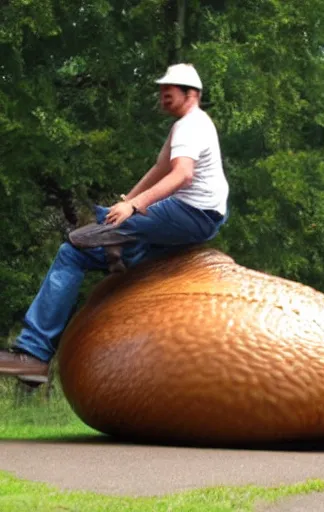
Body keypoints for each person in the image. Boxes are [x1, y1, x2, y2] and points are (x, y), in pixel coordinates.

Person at [0, 63, 229, 386]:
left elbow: (182, 175)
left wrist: (134, 206)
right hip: (197, 214)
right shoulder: (185, 127)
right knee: (76, 251)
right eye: (162, 89)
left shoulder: (192, 126)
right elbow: (160, 168)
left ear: (191, 94)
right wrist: (123, 202)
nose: (163, 95)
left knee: (81, 239)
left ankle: (35, 353)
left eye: (170, 90)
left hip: (192, 213)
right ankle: (118, 256)